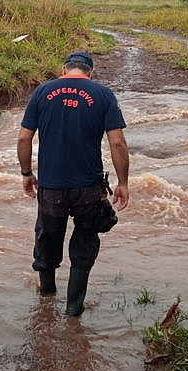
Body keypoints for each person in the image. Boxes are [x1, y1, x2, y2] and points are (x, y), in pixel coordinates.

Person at [17, 51, 129, 317]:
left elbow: (23, 139)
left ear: (64, 70)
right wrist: (123, 182)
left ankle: (46, 298)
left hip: (51, 186)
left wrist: (26, 173)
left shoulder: (43, 92)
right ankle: (73, 309)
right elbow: (117, 143)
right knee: (85, 242)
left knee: (47, 238)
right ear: (90, 72)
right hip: (89, 187)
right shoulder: (103, 95)